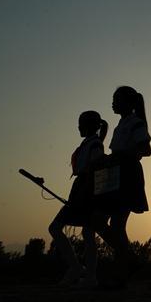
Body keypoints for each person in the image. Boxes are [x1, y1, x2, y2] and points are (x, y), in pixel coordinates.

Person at [93, 86, 151, 285]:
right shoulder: (121, 125)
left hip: (127, 174)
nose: (113, 103)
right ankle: (129, 261)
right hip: (114, 173)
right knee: (100, 222)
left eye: (116, 99)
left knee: (116, 225)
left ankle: (123, 270)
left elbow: (146, 149)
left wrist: (119, 157)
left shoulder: (135, 123)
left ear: (128, 103)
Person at [48, 111, 107, 286]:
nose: (78, 127)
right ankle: (84, 273)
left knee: (70, 230)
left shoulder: (94, 144)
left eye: (80, 124)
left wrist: (89, 196)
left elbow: (97, 169)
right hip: (82, 189)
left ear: (88, 125)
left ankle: (83, 273)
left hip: (87, 191)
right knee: (85, 233)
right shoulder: (90, 143)